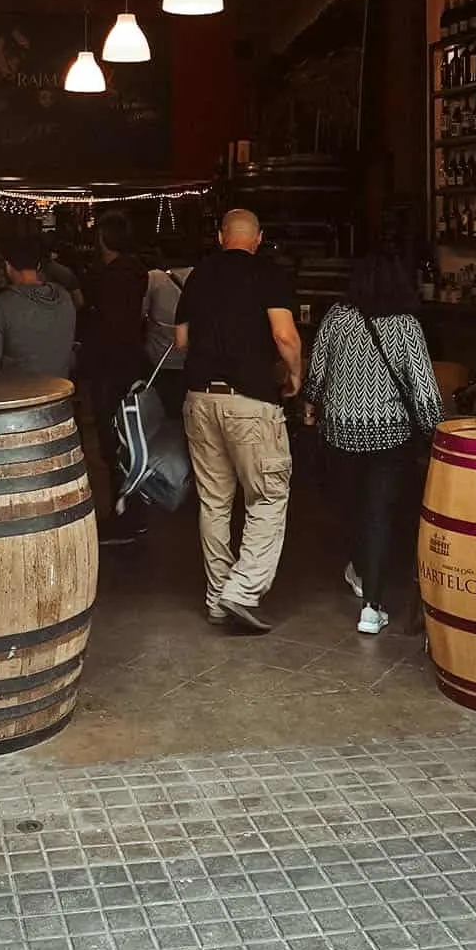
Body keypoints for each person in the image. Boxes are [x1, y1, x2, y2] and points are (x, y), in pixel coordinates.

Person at [303, 247, 442, 636]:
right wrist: (439, 434)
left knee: (351, 508)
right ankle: (372, 606)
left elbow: (315, 376)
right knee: (379, 513)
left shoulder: (336, 317)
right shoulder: (406, 326)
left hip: (340, 433)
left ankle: (362, 571)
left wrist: (315, 408)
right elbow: (424, 390)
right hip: (390, 435)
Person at [174, 208, 301, 633]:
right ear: (259, 238)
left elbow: (181, 340)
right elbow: (284, 335)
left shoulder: (198, 275)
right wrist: (295, 373)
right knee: (267, 497)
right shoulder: (268, 274)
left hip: (200, 399)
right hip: (249, 403)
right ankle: (242, 590)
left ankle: (215, 597)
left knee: (214, 502)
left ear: (219, 235)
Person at [80, 210, 150, 544]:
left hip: (109, 368)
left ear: (103, 239)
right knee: (132, 442)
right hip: (132, 366)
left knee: (113, 446)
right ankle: (133, 512)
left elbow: (106, 328)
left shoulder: (108, 278)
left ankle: (124, 516)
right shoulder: (139, 273)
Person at [0, 226, 76, 378]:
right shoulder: (65, 298)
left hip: (18, 398)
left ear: (7, 266)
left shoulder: (0, 306)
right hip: (59, 395)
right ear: (38, 265)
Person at [142, 236, 196, 416]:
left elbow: (143, 312)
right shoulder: (197, 275)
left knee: (163, 406)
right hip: (191, 353)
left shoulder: (154, 277)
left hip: (160, 353)